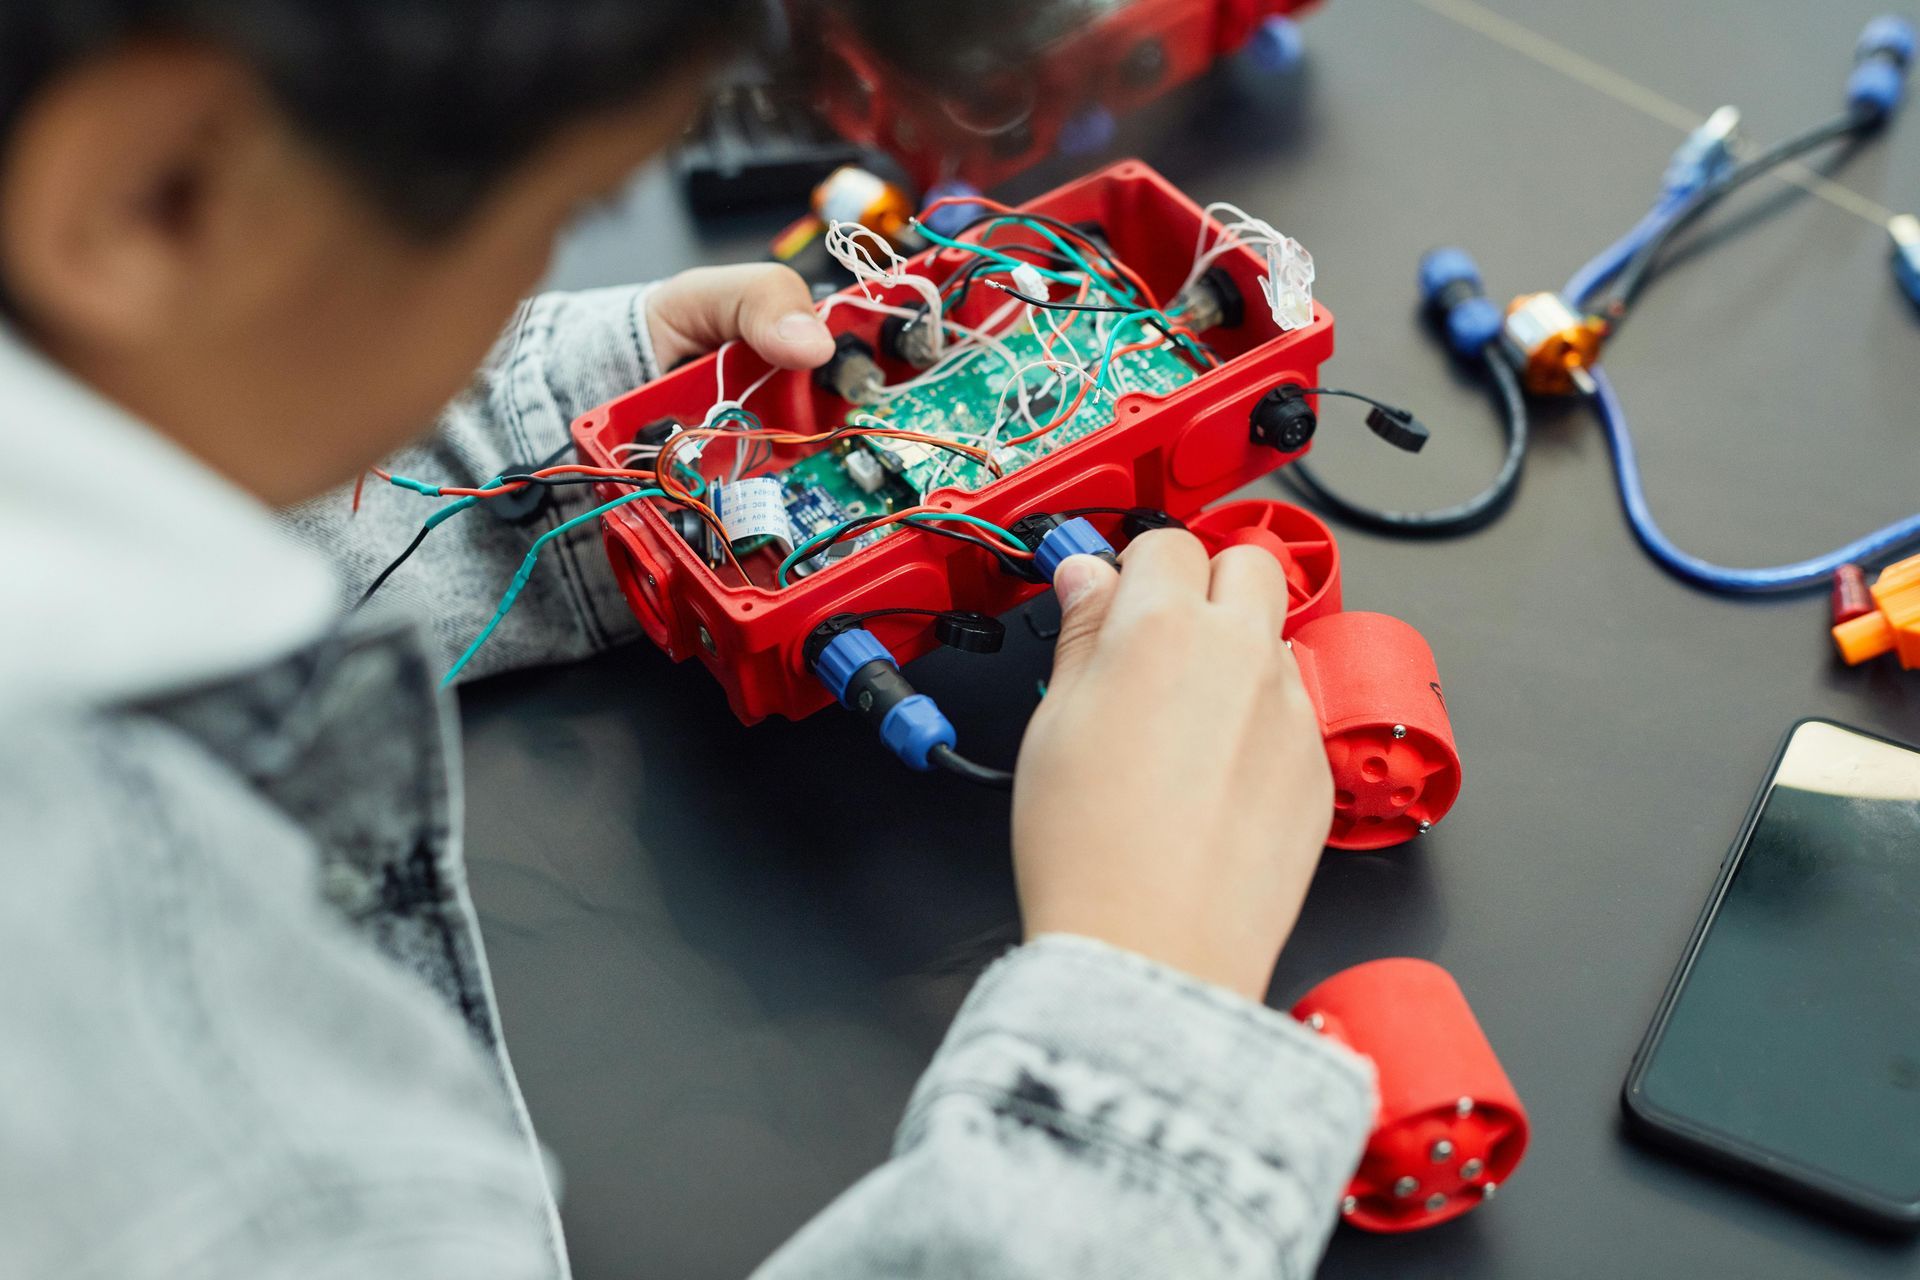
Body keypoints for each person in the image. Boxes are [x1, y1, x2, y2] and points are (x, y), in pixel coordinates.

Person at [0, 2, 1374, 1276]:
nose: (537, 259)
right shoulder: (235, 1179)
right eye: (559, 210)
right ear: (154, 193)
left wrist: (572, 437)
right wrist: (1143, 1026)